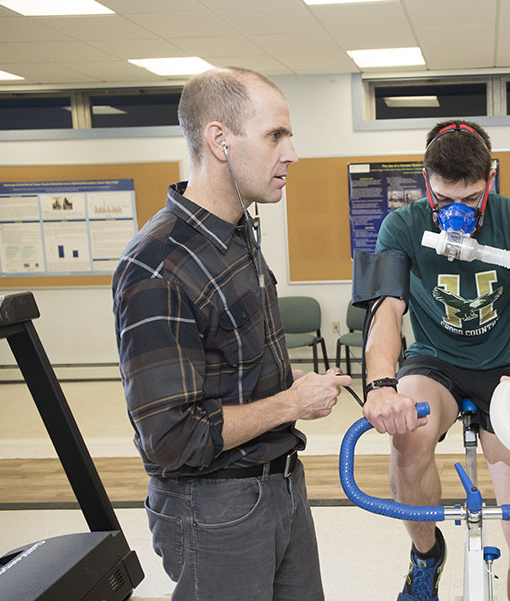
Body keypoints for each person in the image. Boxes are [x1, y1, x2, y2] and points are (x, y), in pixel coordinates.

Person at [112, 66, 351, 601]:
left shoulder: (236, 232)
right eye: (275, 136)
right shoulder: (158, 265)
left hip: (280, 484)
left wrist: (287, 399)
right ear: (219, 140)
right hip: (214, 507)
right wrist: (291, 403)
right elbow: (173, 438)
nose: (292, 153)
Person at [362, 120, 510, 601]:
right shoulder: (402, 224)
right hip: (434, 363)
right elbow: (386, 310)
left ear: (491, 180)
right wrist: (380, 385)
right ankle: (426, 554)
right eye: (443, 200)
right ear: (426, 182)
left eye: (471, 198)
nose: (456, 213)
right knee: (408, 433)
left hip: (506, 369)